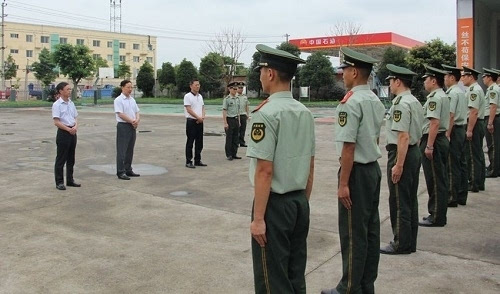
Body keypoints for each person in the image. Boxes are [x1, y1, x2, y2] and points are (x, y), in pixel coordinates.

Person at [247, 44, 315, 294]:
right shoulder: (304, 112)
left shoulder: (265, 114)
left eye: (262, 70)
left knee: (272, 278)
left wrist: (258, 219)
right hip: (299, 202)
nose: (260, 75)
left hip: (274, 205)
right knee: (295, 274)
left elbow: (265, 170)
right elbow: (310, 163)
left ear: (271, 73)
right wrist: (302, 203)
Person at [321, 47, 385, 294]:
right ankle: (366, 283)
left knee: (352, 232)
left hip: (356, 173)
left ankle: (348, 287)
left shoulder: (350, 103)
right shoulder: (374, 99)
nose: (343, 74)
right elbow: (375, 138)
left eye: (345, 70)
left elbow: (348, 146)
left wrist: (343, 183)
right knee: (370, 230)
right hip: (372, 170)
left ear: (355, 72)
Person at [380, 64, 423, 255]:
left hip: (401, 152)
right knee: (410, 199)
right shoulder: (414, 101)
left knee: (398, 201)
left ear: (398, 81)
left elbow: (403, 136)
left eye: (390, 81)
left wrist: (398, 164)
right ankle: (409, 241)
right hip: (413, 152)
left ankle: (400, 243)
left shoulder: (401, 104)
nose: (389, 85)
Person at [418, 65, 450, 227]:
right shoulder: (441, 96)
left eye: (426, 79)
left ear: (433, 81)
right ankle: (437, 213)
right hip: (439, 139)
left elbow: (434, 123)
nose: (424, 82)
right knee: (438, 178)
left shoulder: (435, 98)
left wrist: (429, 146)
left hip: (435, 140)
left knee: (435, 180)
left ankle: (436, 216)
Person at [442, 64, 469, 206]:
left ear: (452, 78)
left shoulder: (452, 93)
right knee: (461, 162)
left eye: (446, 76)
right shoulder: (460, 91)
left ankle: (452, 197)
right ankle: (461, 194)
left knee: (452, 165)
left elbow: (450, 115)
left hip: (454, 129)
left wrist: (447, 133)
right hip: (461, 129)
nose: (444, 79)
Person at [52, 82, 80, 190]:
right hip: (64, 132)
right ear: (61, 91)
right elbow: (56, 121)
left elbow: (76, 117)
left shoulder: (71, 103)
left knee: (71, 158)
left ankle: (70, 179)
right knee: (61, 158)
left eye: (70, 89)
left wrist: (75, 126)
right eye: (67, 89)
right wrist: (68, 129)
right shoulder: (57, 105)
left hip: (73, 132)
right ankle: (59, 182)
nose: (70, 91)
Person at [462, 66, 486, 192]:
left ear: (471, 77)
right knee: (477, 154)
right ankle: (479, 181)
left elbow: (473, 111)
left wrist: (469, 129)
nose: (462, 79)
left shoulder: (473, 90)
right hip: (478, 123)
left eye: (464, 76)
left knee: (471, 155)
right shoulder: (476, 89)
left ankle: (474, 183)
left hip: (474, 124)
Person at [114, 80, 141, 180]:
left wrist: (137, 120)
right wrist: (132, 121)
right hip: (123, 126)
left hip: (132, 126)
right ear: (122, 87)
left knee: (130, 149)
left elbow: (137, 111)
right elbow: (120, 114)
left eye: (131, 87)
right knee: (122, 150)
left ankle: (128, 169)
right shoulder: (118, 100)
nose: (130, 89)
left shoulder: (132, 100)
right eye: (128, 87)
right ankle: (120, 171)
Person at [184, 79, 207, 168]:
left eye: (199, 85)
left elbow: (203, 107)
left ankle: (198, 160)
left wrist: (203, 117)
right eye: (196, 85)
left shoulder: (200, 96)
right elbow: (189, 109)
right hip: (192, 121)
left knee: (199, 142)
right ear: (191, 86)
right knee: (190, 141)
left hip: (200, 121)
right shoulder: (187, 96)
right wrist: (198, 117)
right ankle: (188, 161)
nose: (198, 86)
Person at [483, 68, 500, 178]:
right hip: (494, 118)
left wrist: (490, 123)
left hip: (492, 118)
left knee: (493, 145)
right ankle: (494, 168)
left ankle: (493, 170)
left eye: (484, 77)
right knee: (495, 145)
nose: (483, 79)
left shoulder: (493, 89)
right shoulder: (493, 88)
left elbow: (493, 106)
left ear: (489, 78)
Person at [223, 81, 241, 160]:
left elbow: (238, 111)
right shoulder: (227, 99)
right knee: (229, 138)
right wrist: (225, 123)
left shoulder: (237, 98)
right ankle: (229, 154)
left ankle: (234, 153)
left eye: (236, 89)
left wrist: (239, 121)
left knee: (236, 138)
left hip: (236, 119)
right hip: (229, 119)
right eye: (234, 89)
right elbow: (224, 111)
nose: (235, 90)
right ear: (229, 89)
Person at [237, 82, 250, 147]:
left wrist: (247, 114)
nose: (241, 89)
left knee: (243, 129)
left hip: (243, 114)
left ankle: (242, 142)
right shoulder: (235, 96)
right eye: (239, 88)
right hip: (237, 115)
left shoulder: (245, 97)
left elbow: (247, 106)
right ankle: (236, 142)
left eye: (242, 88)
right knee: (237, 129)